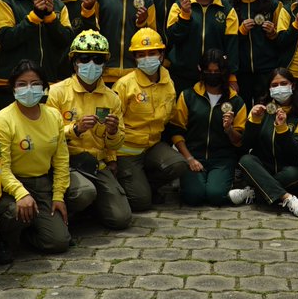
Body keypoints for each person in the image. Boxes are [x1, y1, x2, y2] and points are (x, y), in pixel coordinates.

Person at [0, 60, 97, 259]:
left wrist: (58, 197)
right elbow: (1, 169)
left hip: (43, 184)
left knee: (57, 242)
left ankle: (32, 232)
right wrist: (20, 193)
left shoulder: (53, 116)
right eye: (22, 84)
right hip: (12, 186)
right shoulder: (3, 119)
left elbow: (60, 160)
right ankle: (6, 236)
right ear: (13, 88)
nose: (29, 89)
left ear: (44, 87)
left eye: (35, 83)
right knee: (16, 212)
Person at [48, 31, 132, 230]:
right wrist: (74, 129)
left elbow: (117, 142)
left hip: (96, 163)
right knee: (84, 193)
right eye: (84, 58)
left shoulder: (112, 98)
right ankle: (74, 209)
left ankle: (92, 208)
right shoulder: (57, 92)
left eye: (98, 59)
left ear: (105, 63)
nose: (91, 64)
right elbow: (49, 135)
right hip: (67, 162)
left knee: (121, 219)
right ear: (74, 61)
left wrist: (112, 133)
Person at [113, 28, 190, 210]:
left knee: (178, 164)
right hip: (127, 151)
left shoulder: (168, 82)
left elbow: (170, 119)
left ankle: (144, 182)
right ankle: (129, 184)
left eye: (152, 53)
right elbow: (112, 125)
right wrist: (111, 159)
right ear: (135, 58)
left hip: (152, 146)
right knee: (141, 203)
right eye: (141, 55)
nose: (147, 58)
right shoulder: (124, 85)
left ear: (162, 55)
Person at [168, 50, 247, 207]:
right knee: (193, 197)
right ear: (200, 70)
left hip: (222, 159)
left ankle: (232, 186)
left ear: (224, 72)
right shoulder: (188, 96)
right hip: (193, 156)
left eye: (217, 72)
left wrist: (229, 129)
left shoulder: (236, 101)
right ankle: (186, 184)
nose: (213, 75)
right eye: (208, 71)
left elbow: (239, 141)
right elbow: (176, 131)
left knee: (216, 196)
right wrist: (189, 159)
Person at [230, 69, 298, 217]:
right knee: (246, 160)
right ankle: (288, 199)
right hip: (262, 167)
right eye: (274, 85)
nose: (279, 88)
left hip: (287, 171)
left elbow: (295, 152)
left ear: (292, 86)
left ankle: (254, 192)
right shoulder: (260, 110)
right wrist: (254, 121)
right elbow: (245, 145)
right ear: (269, 88)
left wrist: (282, 128)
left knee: (295, 173)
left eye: (283, 83)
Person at [81, 0, 157, 87]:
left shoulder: (147, 1)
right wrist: (87, 9)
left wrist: (142, 23)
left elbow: (151, 39)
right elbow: (91, 31)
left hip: (134, 75)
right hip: (102, 73)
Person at [166, 0, 239, 94]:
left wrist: (232, 76)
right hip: (182, 75)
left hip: (215, 77)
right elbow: (172, 37)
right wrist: (185, 16)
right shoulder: (178, 6)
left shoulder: (227, 10)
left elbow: (232, 46)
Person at [231, 0, 291, 103]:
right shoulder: (229, 4)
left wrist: (272, 34)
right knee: (242, 111)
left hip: (266, 70)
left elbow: (283, 40)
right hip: (241, 71)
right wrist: (241, 32)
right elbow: (225, 41)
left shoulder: (273, 4)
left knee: (265, 111)